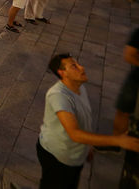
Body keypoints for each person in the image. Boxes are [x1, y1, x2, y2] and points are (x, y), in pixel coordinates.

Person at [37, 54, 139, 188]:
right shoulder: (58, 95)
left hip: (73, 156)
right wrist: (118, 140)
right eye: (74, 66)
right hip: (57, 156)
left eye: (78, 63)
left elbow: (83, 120)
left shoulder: (79, 87)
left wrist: (87, 147)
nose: (81, 67)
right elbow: (74, 133)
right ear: (62, 73)